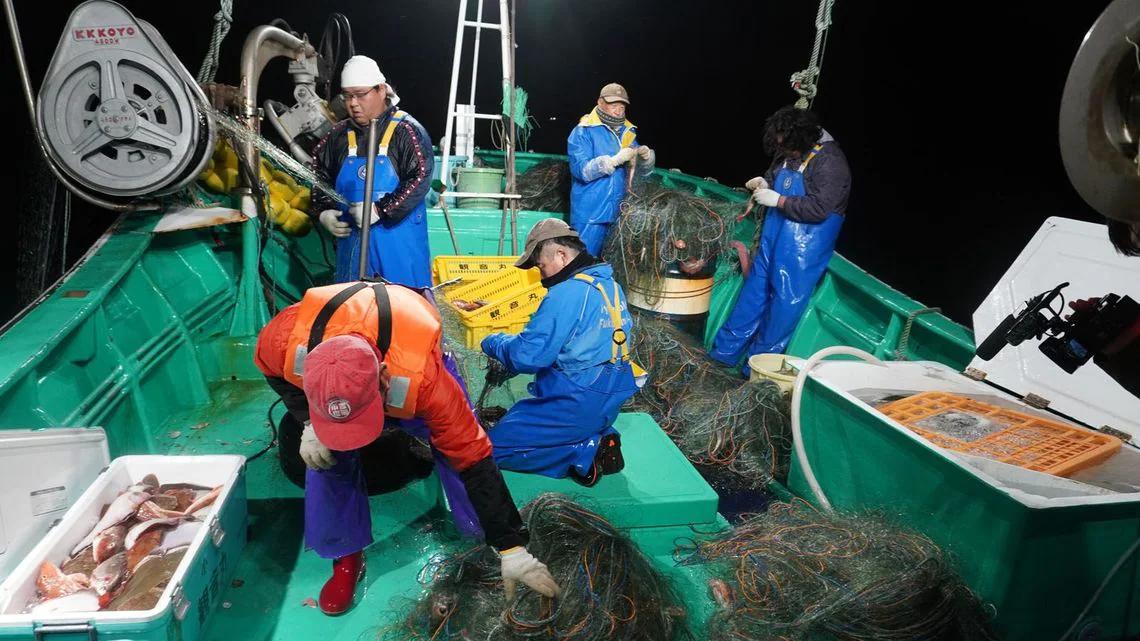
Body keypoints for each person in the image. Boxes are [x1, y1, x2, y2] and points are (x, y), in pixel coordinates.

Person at [255, 281, 559, 615]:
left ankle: (483, 535)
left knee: (455, 449)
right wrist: (309, 422)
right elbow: (272, 371)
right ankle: (346, 555)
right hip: (343, 359)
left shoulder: (427, 382)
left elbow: (473, 457)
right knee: (326, 460)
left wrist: (512, 546)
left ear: (384, 377)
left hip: (409, 353)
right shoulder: (283, 340)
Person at [481, 219, 638, 486]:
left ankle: (584, 451)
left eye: (541, 266)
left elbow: (527, 357)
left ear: (562, 255)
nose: (541, 275)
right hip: (610, 395)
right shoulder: (608, 285)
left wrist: (493, 341)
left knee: (486, 450)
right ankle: (600, 434)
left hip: (574, 401)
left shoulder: (567, 293)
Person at [709, 106, 851, 373]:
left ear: (805, 139)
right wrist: (764, 183)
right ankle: (722, 354)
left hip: (803, 247)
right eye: (780, 147)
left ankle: (756, 369)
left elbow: (820, 209)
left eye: (789, 149)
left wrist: (779, 200)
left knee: (784, 305)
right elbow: (776, 178)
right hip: (772, 238)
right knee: (752, 295)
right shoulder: (787, 149)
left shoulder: (831, 162)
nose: (785, 153)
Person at [310, 55, 434, 287]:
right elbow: (319, 177)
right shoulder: (336, 136)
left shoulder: (407, 131)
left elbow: (420, 177)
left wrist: (380, 210)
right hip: (352, 252)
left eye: (360, 94)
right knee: (353, 313)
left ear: (380, 90)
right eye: (347, 96)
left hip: (398, 251)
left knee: (403, 314)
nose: (353, 103)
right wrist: (323, 211)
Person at [567, 83, 656, 256]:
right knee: (582, 261)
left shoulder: (628, 133)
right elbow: (581, 170)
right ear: (600, 102)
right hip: (590, 214)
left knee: (611, 264)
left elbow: (640, 175)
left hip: (619, 213)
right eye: (613, 105)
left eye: (622, 107)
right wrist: (614, 161)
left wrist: (646, 160)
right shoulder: (583, 131)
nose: (618, 111)